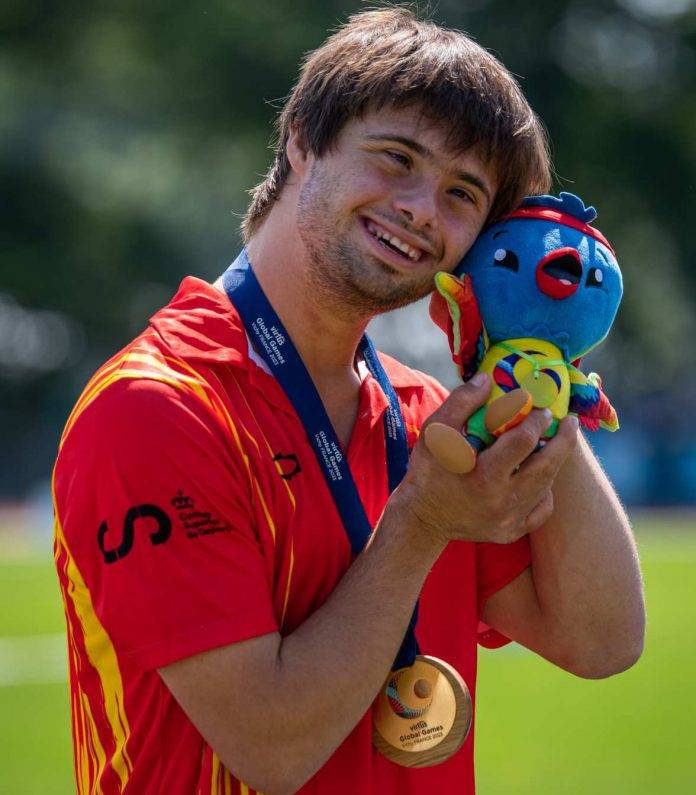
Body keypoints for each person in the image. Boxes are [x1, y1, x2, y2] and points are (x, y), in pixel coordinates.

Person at [52, 7, 645, 795]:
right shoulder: (156, 409)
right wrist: (422, 523)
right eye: (397, 158)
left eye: (462, 194)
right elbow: (272, 745)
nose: (421, 209)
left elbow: (601, 639)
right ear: (302, 139)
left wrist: (533, 354)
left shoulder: (429, 415)